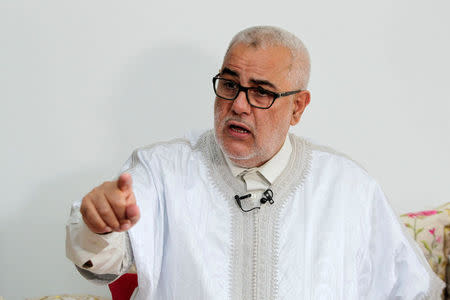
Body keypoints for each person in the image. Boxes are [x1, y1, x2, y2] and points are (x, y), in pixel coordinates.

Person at [66, 26, 445, 299]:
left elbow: (414, 290)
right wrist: (98, 225)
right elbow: (104, 262)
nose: (238, 104)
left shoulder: (348, 188)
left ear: (297, 107)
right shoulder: (162, 170)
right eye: (229, 84)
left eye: (261, 92)